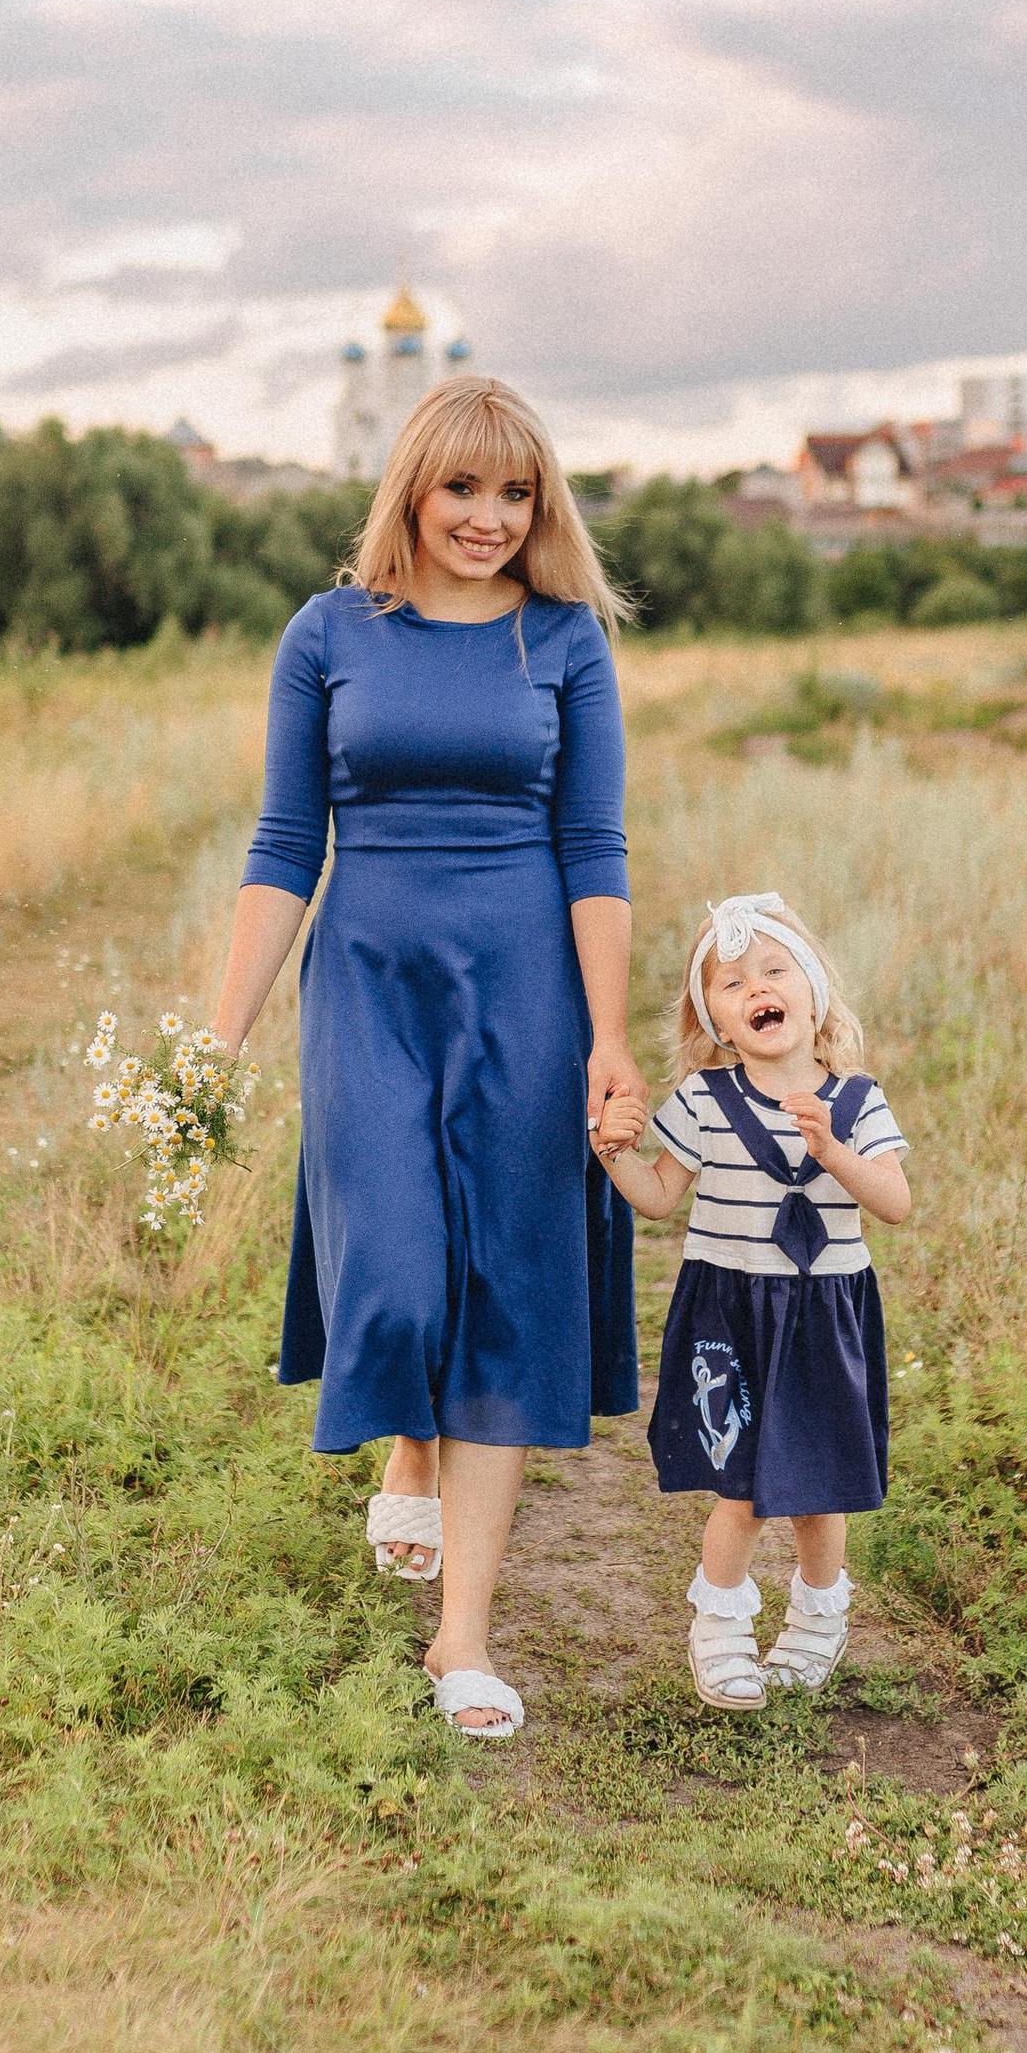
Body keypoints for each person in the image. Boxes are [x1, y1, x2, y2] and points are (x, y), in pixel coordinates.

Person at [210, 373, 644, 1741]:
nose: (489, 517)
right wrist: (213, 1038)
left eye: (516, 494)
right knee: (393, 1267)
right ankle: (406, 1433)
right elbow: (288, 844)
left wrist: (613, 1040)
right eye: (463, 487)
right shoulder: (329, 632)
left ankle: (463, 1638)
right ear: (412, 487)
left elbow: (595, 849)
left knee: (508, 1294)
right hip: (369, 986)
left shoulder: (564, 642)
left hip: (529, 987)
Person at [593, 892, 910, 1709]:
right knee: (737, 1486)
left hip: (823, 1317)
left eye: (774, 970)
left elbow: (895, 1202)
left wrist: (831, 1151)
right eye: (730, 983)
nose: (756, 986)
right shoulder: (705, 1099)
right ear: (719, 1023)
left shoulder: (856, 1100)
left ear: (812, 993)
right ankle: (721, 1632)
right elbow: (661, 1197)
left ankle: (814, 1626)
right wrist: (613, 1155)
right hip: (730, 1312)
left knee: (819, 1490)